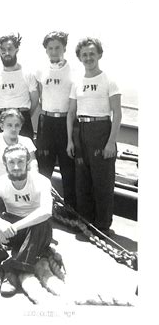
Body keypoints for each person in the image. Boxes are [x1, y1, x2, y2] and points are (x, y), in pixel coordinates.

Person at [0, 144, 53, 297]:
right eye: (11, 163)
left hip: (34, 231)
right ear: (5, 165)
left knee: (43, 221)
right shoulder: (1, 182)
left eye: (20, 162)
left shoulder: (41, 181)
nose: (16, 167)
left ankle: (13, 270)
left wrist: (13, 227)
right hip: (10, 228)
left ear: (28, 162)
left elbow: (46, 211)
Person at [66, 37, 122, 234]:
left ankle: (103, 226)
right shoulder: (77, 83)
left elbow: (117, 113)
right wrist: (70, 140)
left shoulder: (109, 80)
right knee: (82, 181)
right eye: (84, 55)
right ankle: (85, 223)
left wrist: (111, 142)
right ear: (80, 58)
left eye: (92, 53)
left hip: (101, 130)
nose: (88, 58)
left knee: (102, 182)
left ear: (99, 55)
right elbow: (71, 112)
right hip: (81, 130)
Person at [35, 31, 76, 208]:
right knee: (44, 168)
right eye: (50, 48)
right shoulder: (40, 71)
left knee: (68, 168)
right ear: (46, 51)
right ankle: (43, 208)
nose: (54, 51)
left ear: (64, 48)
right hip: (46, 122)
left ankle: (70, 208)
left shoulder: (74, 71)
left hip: (66, 123)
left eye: (57, 47)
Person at [0, 33, 39, 138]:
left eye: (10, 49)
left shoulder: (28, 73)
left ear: (16, 49)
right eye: (3, 50)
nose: (7, 53)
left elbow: (35, 100)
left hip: (22, 118)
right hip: (1, 118)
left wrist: (23, 114)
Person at [0, 108, 37, 182]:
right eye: (9, 125)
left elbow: (33, 165)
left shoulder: (27, 141)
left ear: (21, 126)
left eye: (17, 125)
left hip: (19, 185)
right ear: (2, 126)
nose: (13, 129)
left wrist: (35, 180)